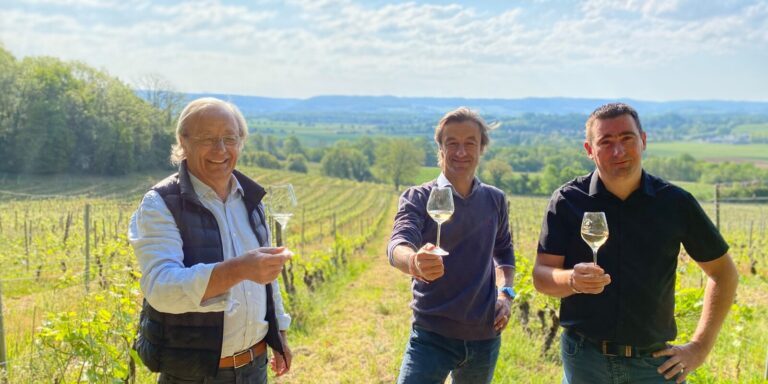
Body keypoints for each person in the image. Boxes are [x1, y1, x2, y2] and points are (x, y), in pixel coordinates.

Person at [533, 102, 739, 384]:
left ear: (643, 141)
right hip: (585, 360)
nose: (618, 151)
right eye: (605, 142)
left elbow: (723, 273)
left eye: (627, 138)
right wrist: (571, 280)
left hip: (654, 365)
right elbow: (541, 275)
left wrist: (700, 348)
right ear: (589, 150)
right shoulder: (568, 201)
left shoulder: (675, 203)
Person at [129, 97, 293, 383]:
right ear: (184, 141)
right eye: (208, 138)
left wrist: (279, 333)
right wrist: (239, 269)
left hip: (254, 367)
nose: (221, 149)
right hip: (194, 374)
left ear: (241, 142)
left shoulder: (252, 200)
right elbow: (161, 288)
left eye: (230, 138)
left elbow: (267, 274)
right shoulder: (161, 204)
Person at [387, 107, 516, 384]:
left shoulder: (495, 199)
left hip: (484, 339)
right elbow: (398, 243)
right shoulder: (419, 197)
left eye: (470, 143)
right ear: (441, 149)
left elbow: (504, 251)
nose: (461, 152)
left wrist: (505, 294)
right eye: (452, 143)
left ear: (482, 148)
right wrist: (413, 262)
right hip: (431, 336)